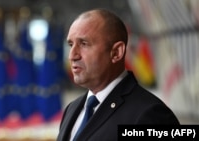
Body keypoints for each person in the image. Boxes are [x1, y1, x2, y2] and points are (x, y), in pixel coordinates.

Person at [57, 8, 180, 141]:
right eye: (70, 44)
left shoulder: (152, 115)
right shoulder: (72, 109)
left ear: (116, 53)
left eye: (84, 44)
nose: (72, 55)